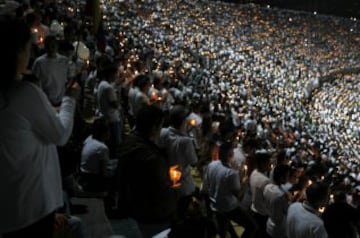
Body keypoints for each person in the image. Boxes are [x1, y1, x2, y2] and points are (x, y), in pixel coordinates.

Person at [0, 18, 77, 237]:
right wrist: (70, 100)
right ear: (16, 52)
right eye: (27, 48)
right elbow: (60, 134)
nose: (30, 52)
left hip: (9, 207)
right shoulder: (23, 93)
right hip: (31, 207)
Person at [115, 105, 178, 237]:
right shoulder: (152, 157)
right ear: (155, 128)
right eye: (160, 126)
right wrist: (173, 185)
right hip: (152, 214)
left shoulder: (129, 142)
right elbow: (161, 190)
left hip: (134, 207)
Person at [204, 142, 258, 238]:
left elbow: (209, 182)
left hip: (215, 204)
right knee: (252, 226)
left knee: (223, 230)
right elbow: (239, 196)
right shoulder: (231, 173)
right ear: (231, 155)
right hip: (228, 207)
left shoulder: (212, 164)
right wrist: (244, 183)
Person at [159, 105, 198, 218]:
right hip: (183, 184)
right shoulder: (186, 141)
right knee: (183, 214)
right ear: (184, 121)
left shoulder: (162, 132)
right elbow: (194, 162)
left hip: (167, 179)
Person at [32, 34, 71, 106]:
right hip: (44, 101)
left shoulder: (64, 61)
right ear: (45, 46)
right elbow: (35, 83)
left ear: (57, 46)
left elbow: (69, 78)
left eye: (54, 44)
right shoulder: (39, 62)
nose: (52, 47)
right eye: (49, 45)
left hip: (61, 100)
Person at [263, 164, 290, 238]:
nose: (288, 178)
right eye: (287, 176)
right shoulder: (281, 195)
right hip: (279, 228)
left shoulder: (267, 187)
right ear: (281, 178)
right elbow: (287, 210)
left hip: (269, 222)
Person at [249, 150, 272, 238]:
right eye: (269, 163)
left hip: (254, 208)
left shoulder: (254, 172)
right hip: (262, 213)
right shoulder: (265, 181)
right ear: (262, 164)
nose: (270, 165)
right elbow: (267, 199)